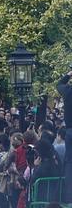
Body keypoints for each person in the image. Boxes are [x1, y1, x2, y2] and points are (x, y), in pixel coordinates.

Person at [56, 69, 72, 204]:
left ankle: (69, 198)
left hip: (70, 131)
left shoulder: (68, 91)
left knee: (69, 163)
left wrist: (69, 74)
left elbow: (59, 84)